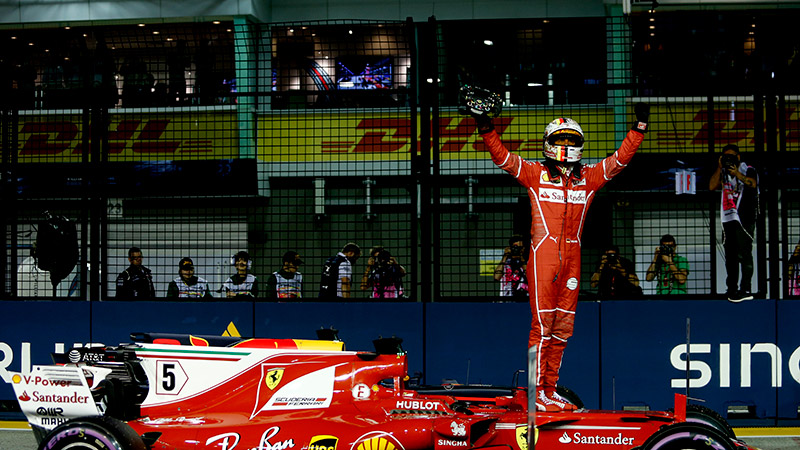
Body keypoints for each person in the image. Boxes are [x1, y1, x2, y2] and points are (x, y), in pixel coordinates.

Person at [470, 91, 649, 411]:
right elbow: (502, 157)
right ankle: (535, 391)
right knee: (543, 325)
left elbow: (620, 160)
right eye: (560, 138)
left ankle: (549, 390)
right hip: (544, 255)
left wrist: (639, 127)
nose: (566, 144)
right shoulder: (535, 174)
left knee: (564, 326)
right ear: (548, 142)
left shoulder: (589, 177)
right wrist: (484, 124)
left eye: (571, 138)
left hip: (574, 258)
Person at [709, 143, 759, 302]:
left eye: (731, 157)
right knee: (730, 256)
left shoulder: (748, 169)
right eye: (726, 157)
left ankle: (746, 288)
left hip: (745, 219)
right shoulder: (722, 173)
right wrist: (719, 167)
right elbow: (711, 186)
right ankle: (732, 290)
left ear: (738, 157)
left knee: (744, 254)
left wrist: (736, 173)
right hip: (730, 220)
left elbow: (753, 183)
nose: (729, 160)